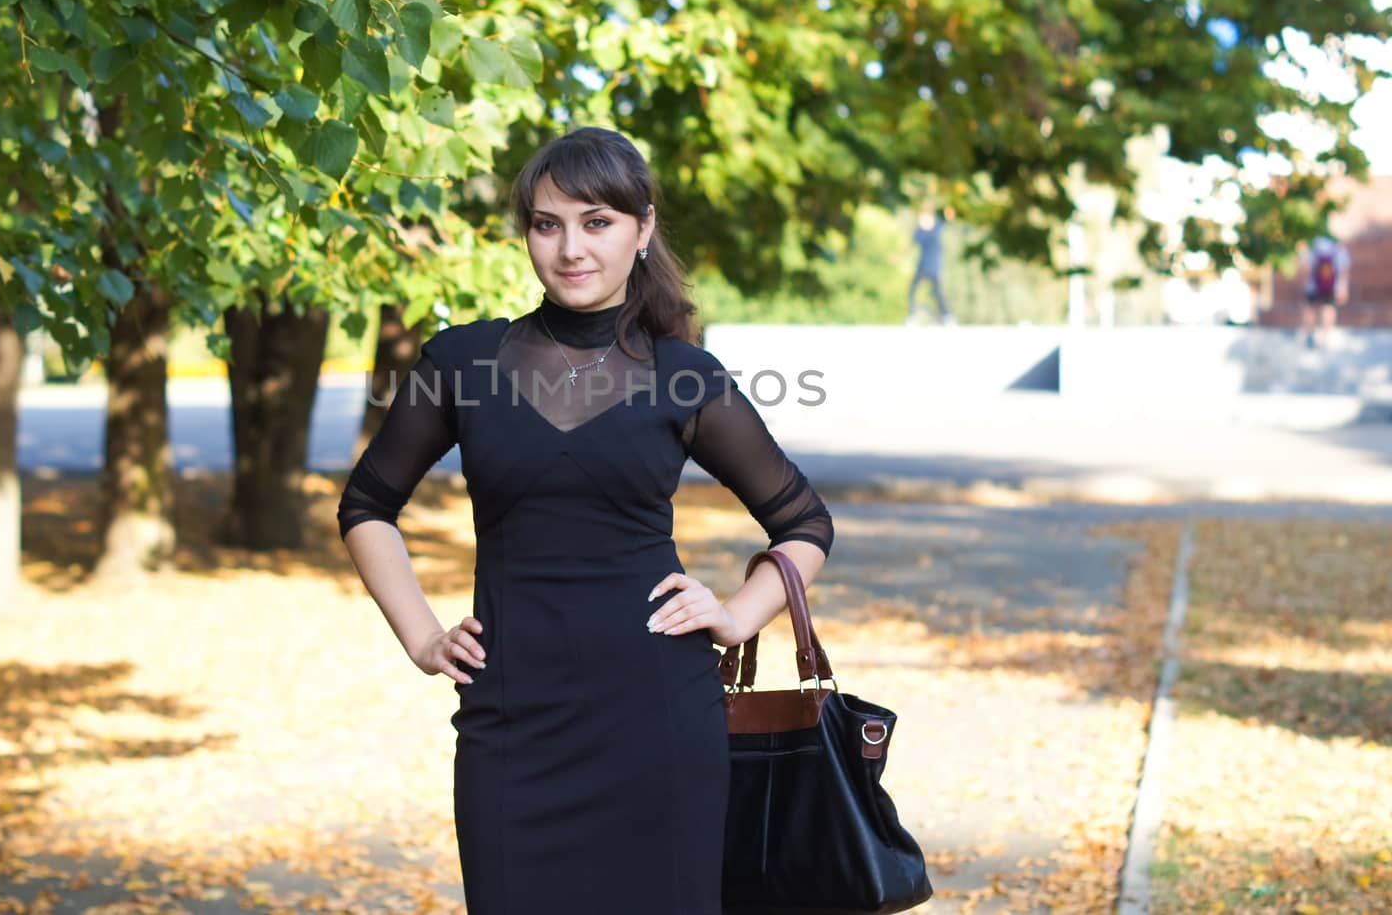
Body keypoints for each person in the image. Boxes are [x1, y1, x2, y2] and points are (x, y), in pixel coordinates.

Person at [336, 126, 834, 915]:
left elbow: (805, 523)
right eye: (547, 223)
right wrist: (423, 638)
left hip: (660, 727)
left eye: (597, 221)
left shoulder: (683, 378)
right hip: (510, 727)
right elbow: (366, 505)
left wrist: (738, 614)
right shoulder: (461, 365)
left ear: (641, 231)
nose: (571, 247)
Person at [1301, 233, 1350, 347]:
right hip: (1332, 285)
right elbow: (1344, 268)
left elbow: (1306, 266)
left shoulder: (1313, 244)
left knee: (1311, 308)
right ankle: (1326, 336)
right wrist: (1343, 287)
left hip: (1313, 283)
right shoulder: (1337, 246)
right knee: (1329, 308)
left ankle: (1310, 335)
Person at [908, 205, 954, 324]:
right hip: (922, 264)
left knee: (937, 293)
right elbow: (915, 240)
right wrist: (920, 226)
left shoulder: (937, 225)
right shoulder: (920, 229)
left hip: (933, 264)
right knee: (913, 290)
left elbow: (947, 220)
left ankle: (947, 317)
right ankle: (912, 316)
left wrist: (949, 213)